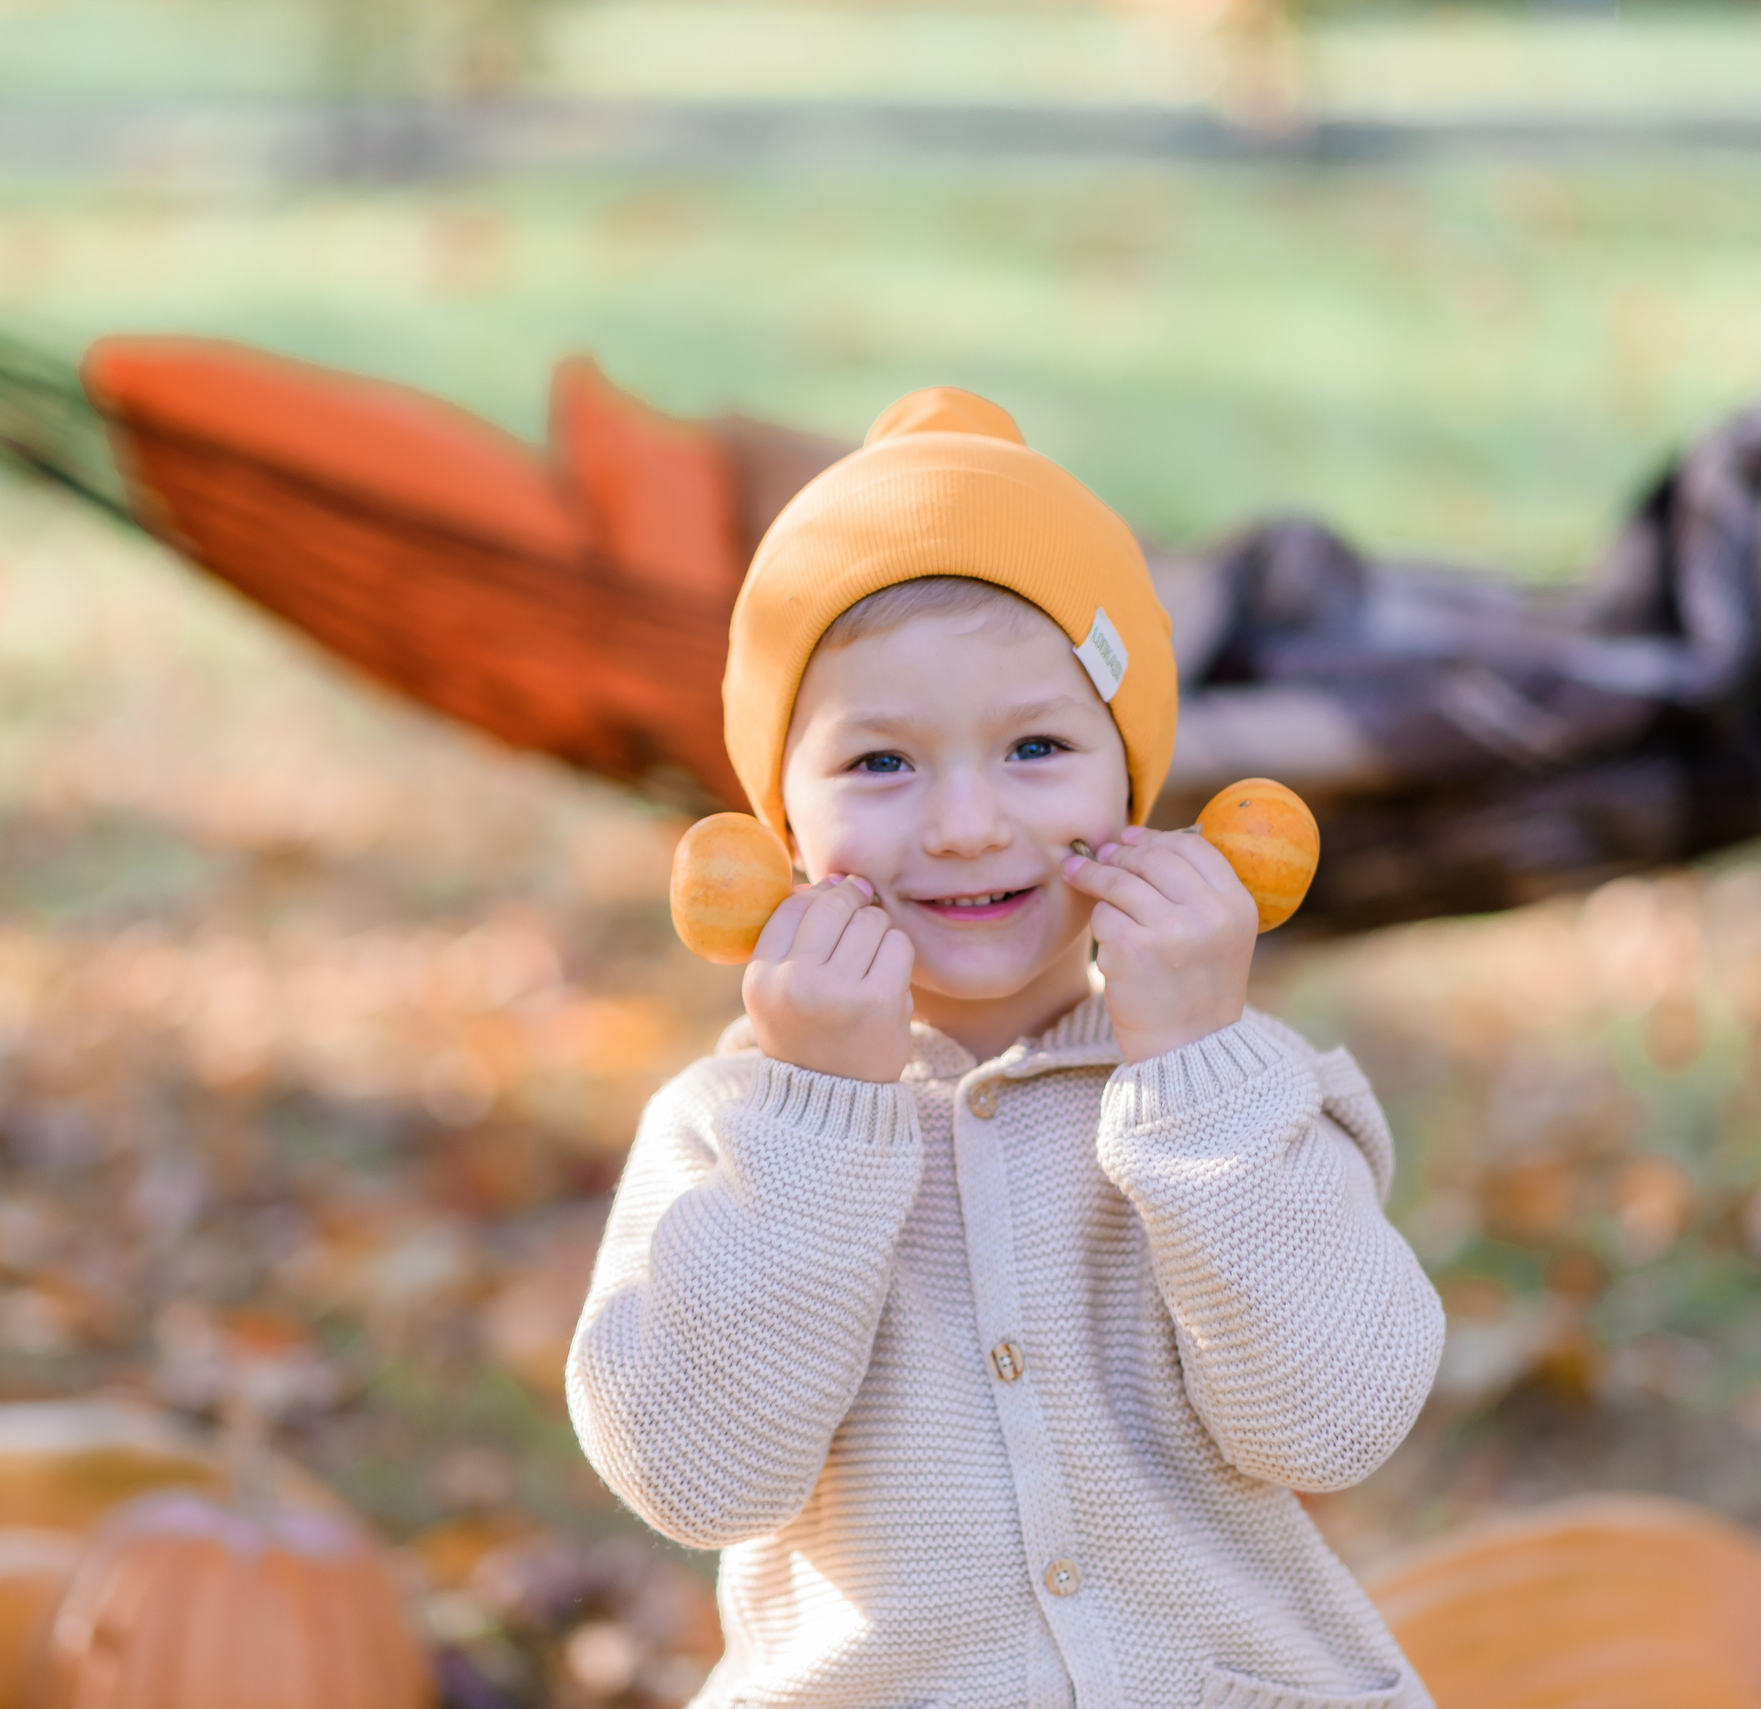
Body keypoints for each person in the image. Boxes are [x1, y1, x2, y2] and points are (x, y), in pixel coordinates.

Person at [565, 387, 1446, 1709]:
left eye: (1037, 746)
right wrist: (816, 1110)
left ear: (1133, 791)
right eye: (880, 763)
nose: (968, 823)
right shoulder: (732, 1126)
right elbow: (698, 1479)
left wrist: (1196, 1070)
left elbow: (1332, 1419)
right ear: (779, 829)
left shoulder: (1234, 1091)